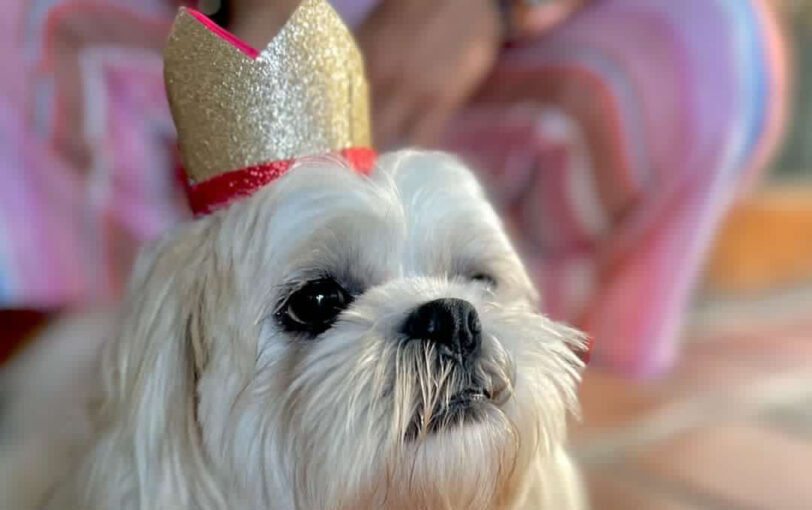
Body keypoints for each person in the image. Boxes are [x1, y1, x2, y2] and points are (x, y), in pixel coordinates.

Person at [0, 0, 787, 373]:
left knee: (712, 42)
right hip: (176, 58)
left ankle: (556, 393)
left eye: (465, 278)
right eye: (318, 304)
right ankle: (95, 377)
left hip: (505, 61)